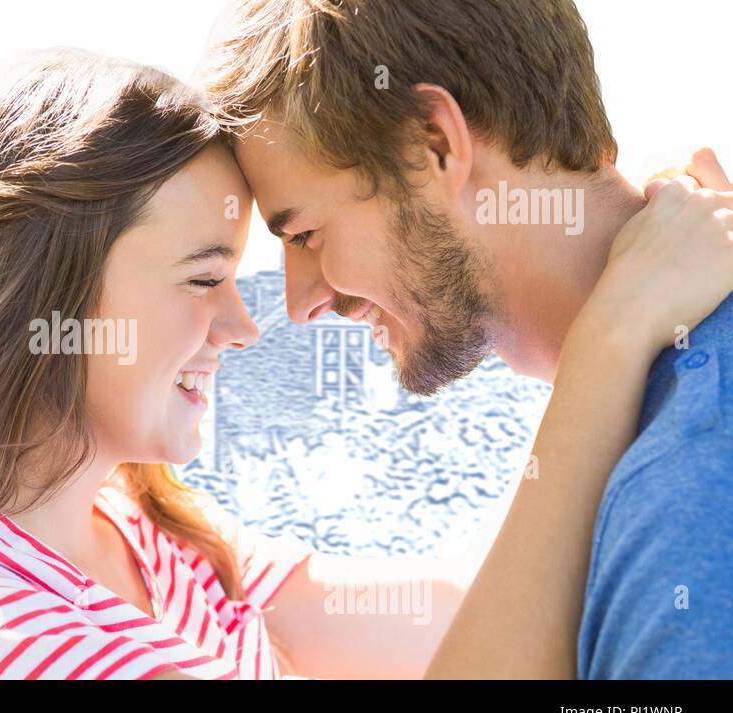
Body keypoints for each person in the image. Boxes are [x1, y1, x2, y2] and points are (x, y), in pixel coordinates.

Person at [0, 47, 733, 680]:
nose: (247, 324)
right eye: (201, 277)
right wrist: (609, 340)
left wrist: (619, 261)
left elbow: (484, 629)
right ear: (45, 301)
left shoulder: (160, 551)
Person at [201, 0, 733, 677]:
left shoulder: (690, 486)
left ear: (434, 145)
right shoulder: (642, 416)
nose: (300, 304)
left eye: (304, 234)